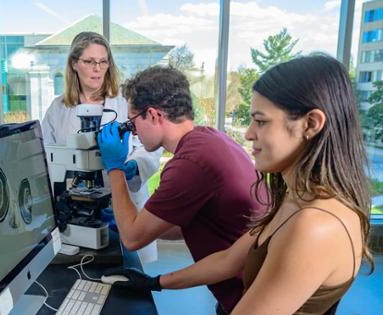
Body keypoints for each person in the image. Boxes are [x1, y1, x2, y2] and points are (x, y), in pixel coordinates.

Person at [105, 56, 375, 315]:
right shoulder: (296, 199)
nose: (248, 133)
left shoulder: (315, 224)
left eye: (261, 121)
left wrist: (114, 168)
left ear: (311, 123)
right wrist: (156, 282)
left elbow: (133, 237)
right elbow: (227, 261)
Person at [96, 65, 265, 314]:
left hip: (252, 300)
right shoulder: (212, 139)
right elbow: (193, 223)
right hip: (246, 286)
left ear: (153, 115)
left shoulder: (188, 163)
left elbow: (132, 238)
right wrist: (133, 223)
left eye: (133, 124)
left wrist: (115, 169)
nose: (134, 134)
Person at [41, 31, 162, 263]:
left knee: (128, 273)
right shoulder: (58, 108)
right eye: (89, 61)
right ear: (74, 64)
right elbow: (47, 154)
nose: (97, 68)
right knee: (81, 270)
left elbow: (150, 145)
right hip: (78, 206)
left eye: (103, 61)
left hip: (125, 199)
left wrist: (135, 166)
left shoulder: (126, 101)